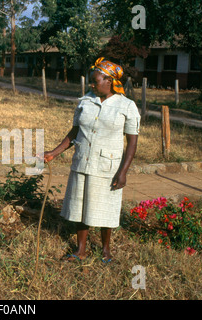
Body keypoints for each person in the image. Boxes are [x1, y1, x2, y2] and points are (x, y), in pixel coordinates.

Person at [43, 57, 140, 263]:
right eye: (92, 81)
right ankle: (80, 250)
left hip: (108, 167)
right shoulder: (85, 101)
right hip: (82, 162)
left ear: (110, 81)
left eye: (96, 81)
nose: (92, 85)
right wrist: (54, 152)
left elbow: (132, 142)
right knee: (80, 207)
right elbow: (75, 132)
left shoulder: (127, 106)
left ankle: (105, 250)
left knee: (107, 207)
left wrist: (123, 172)